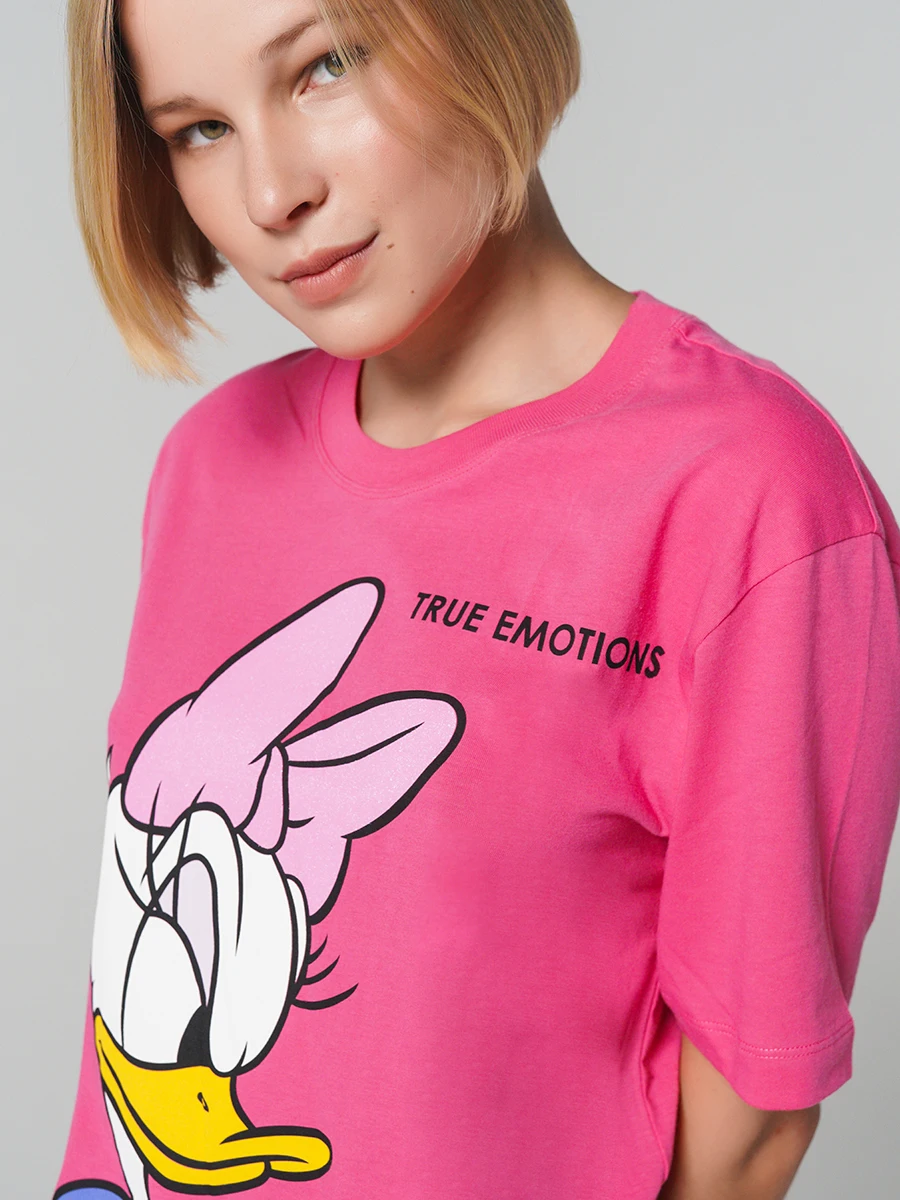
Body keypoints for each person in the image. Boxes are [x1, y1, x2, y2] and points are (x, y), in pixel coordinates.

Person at [54, 0, 900, 1198]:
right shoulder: (213, 463)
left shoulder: (748, 495)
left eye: (324, 67)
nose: (271, 194)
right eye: (198, 129)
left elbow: (748, 1135)